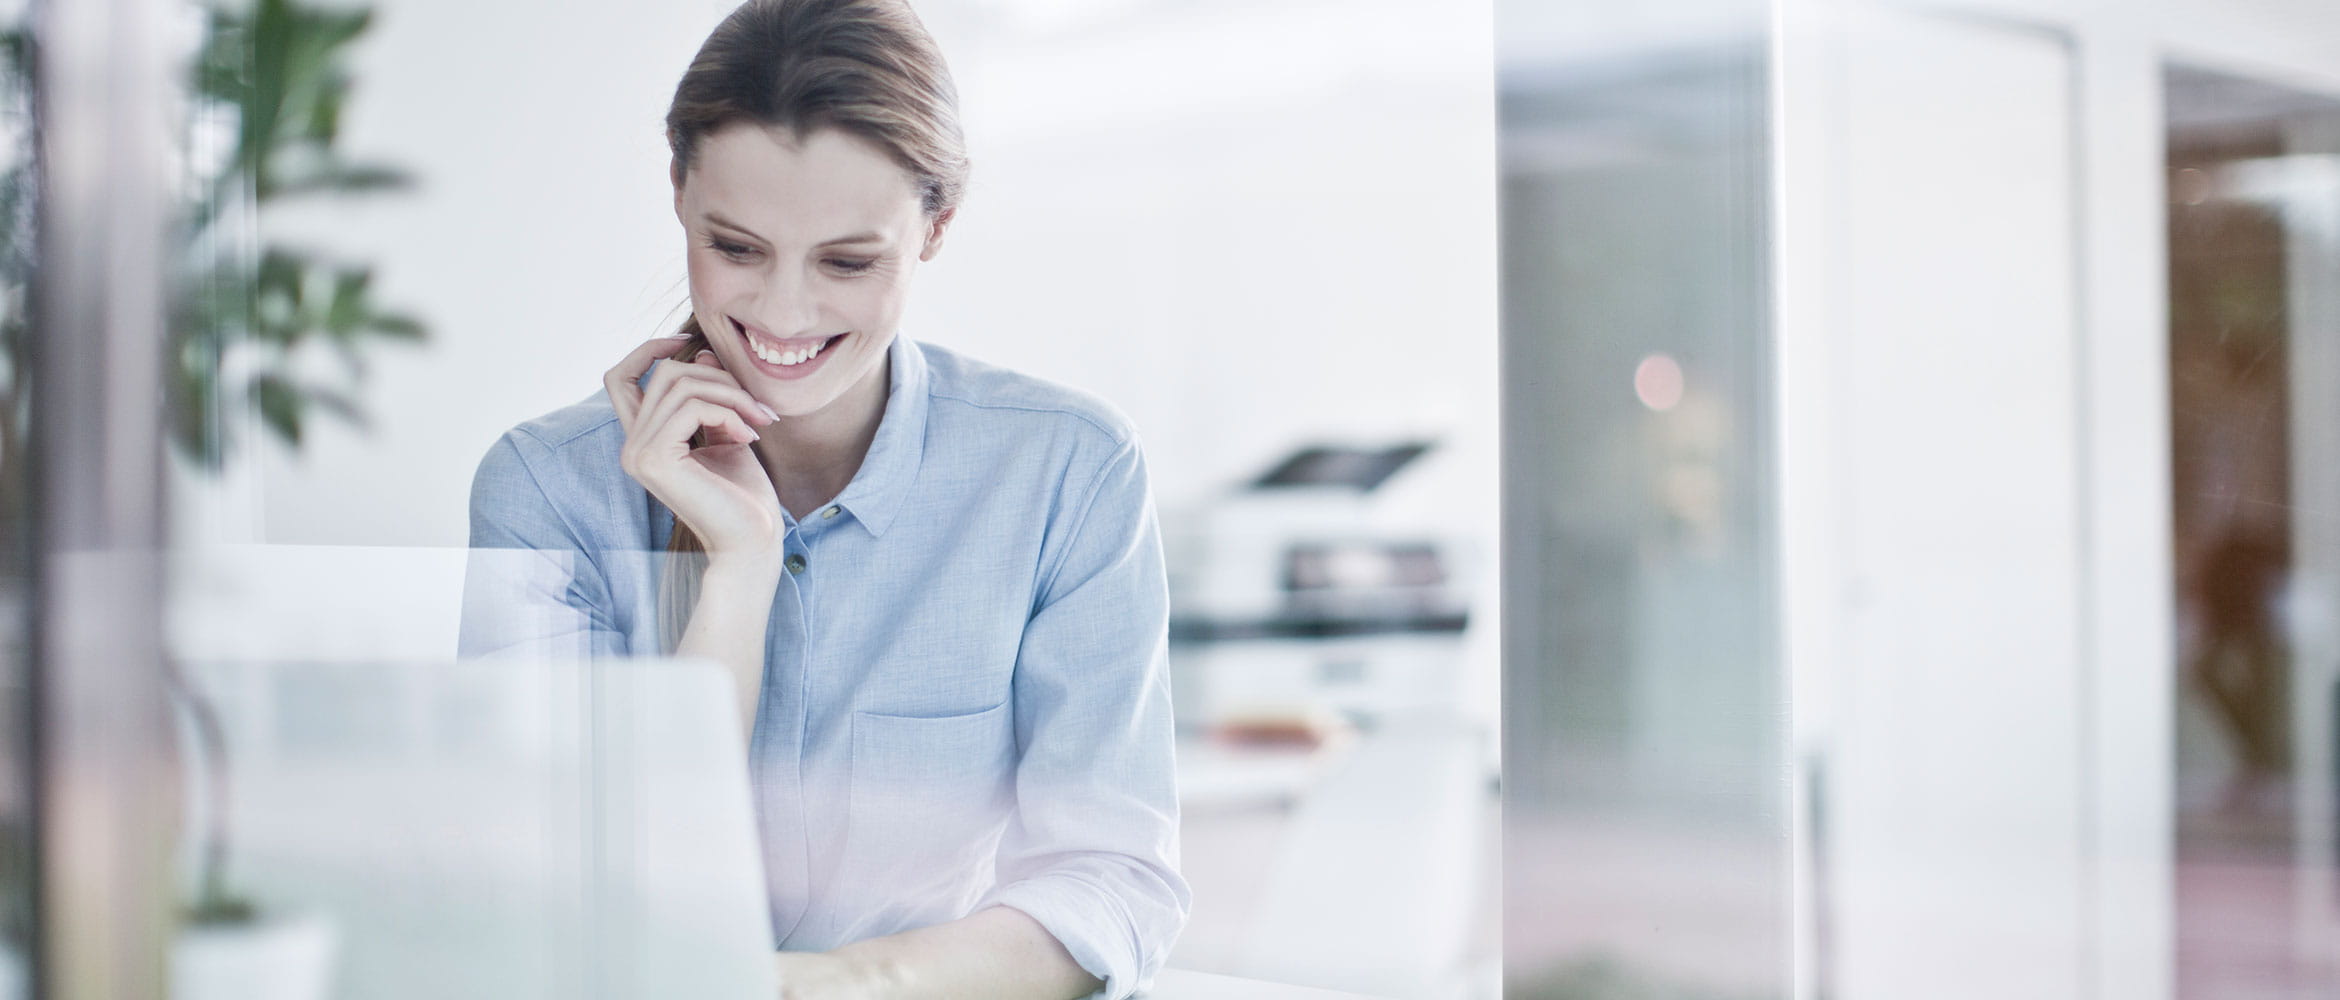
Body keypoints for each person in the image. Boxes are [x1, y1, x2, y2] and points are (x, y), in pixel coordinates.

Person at [456, 1, 1189, 997]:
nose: (786, 313)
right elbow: (569, 897)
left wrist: (848, 981)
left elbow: (1111, 880)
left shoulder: (1067, 470)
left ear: (935, 227)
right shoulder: (545, 489)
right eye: (738, 247)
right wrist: (740, 571)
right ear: (677, 192)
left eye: (848, 261)